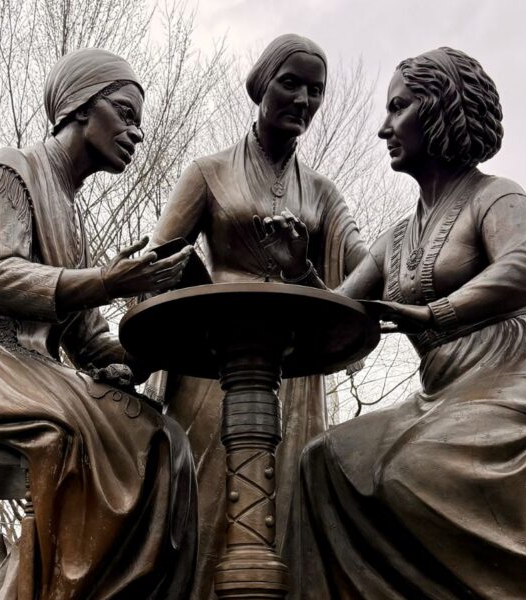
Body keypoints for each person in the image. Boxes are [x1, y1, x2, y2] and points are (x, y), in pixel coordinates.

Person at [256, 47, 526, 599]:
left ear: (440, 110)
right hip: (446, 393)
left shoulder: (496, 196)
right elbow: (340, 308)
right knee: (320, 460)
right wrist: (299, 272)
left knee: (411, 468)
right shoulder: (396, 237)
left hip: (518, 375)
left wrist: (437, 311)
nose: (383, 128)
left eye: (399, 108)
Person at [0, 48, 197, 600]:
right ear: (80, 106)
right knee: (78, 435)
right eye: (125, 113)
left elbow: (89, 342)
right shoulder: (12, 169)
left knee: (165, 440)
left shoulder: (72, 219)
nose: (137, 133)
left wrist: (162, 327)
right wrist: (106, 280)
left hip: (19, 371)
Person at [148, 33, 368, 598]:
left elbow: (361, 284)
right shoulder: (208, 172)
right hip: (211, 359)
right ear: (261, 86)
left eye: (315, 90)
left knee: (290, 499)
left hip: (291, 368)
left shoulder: (323, 194)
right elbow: (158, 263)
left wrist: (302, 274)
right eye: (290, 83)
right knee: (202, 495)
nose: (302, 99)